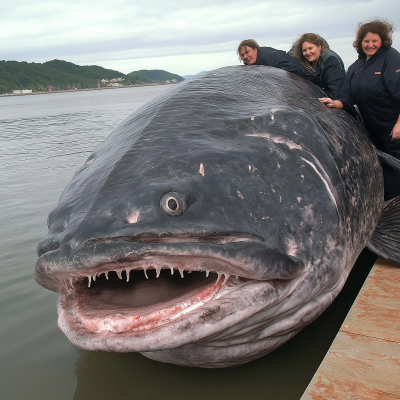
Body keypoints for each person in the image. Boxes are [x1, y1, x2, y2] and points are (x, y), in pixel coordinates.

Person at [319, 20, 400, 199]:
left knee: (397, 164)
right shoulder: (357, 66)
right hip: (373, 126)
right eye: (366, 41)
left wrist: (398, 124)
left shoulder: (391, 57)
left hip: (393, 124)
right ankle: (388, 202)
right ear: (360, 42)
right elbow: (347, 95)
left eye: (374, 41)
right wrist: (334, 103)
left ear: (383, 41)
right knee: (384, 165)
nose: (370, 45)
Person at [290, 33, 345, 98]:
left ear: (319, 46)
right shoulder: (306, 65)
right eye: (304, 50)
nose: (307, 53)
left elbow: (335, 87)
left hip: (338, 100)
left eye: (310, 48)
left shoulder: (330, 60)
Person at [238, 39, 307, 79]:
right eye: (242, 55)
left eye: (247, 52)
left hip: (303, 74)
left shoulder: (267, 55)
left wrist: (271, 76)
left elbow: (290, 67)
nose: (245, 56)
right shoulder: (249, 62)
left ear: (255, 49)